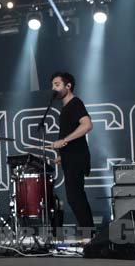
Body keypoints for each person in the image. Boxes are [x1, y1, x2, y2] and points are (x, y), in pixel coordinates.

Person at [49, 71, 94, 233]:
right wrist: (62, 155)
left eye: (57, 84)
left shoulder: (75, 103)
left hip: (77, 157)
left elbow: (87, 125)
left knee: (75, 198)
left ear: (68, 86)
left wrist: (64, 141)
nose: (54, 88)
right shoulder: (66, 108)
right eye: (53, 85)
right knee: (75, 197)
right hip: (70, 157)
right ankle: (90, 234)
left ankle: (89, 235)